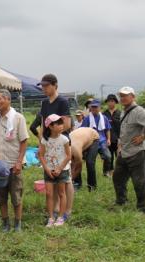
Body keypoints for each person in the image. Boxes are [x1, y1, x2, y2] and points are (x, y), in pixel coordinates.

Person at [0, 89, 29, 232]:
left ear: (8, 100)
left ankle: (18, 224)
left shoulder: (18, 118)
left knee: (16, 196)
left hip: (13, 165)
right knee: (1, 197)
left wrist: (19, 162)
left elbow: (24, 141)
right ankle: (5, 223)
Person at [38, 73, 74, 219]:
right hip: (48, 143)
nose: (44, 89)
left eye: (47, 86)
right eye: (43, 86)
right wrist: (42, 142)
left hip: (62, 141)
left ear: (55, 85)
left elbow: (67, 124)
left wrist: (54, 132)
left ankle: (68, 210)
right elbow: (42, 124)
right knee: (52, 176)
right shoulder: (44, 103)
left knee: (66, 178)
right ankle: (56, 208)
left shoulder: (62, 101)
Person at [113, 87, 145, 213]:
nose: (122, 98)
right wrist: (120, 146)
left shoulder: (139, 111)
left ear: (133, 96)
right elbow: (124, 131)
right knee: (117, 177)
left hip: (136, 151)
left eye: (125, 95)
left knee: (139, 181)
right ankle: (121, 201)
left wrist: (143, 137)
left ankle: (143, 207)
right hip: (124, 151)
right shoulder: (123, 111)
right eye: (121, 96)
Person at [39, 114, 71, 227]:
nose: (61, 125)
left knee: (62, 193)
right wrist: (47, 169)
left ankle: (61, 217)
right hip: (49, 170)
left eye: (61, 123)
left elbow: (68, 156)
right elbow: (41, 155)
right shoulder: (45, 140)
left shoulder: (64, 139)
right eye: (58, 124)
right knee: (49, 194)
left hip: (62, 170)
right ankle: (51, 217)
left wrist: (60, 168)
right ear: (50, 127)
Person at [81, 99, 112, 180]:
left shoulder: (104, 117)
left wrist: (108, 139)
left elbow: (107, 129)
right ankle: (91, 176)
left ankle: (106, 172)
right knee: (91, 161)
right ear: (90, 108)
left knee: (108, 156)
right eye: (93, 107)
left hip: (102, 140)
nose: (94, 109)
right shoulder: (87, 118)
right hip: (91, 142)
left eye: (96, 107)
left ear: (99, 108)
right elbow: (83, 130)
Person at [103, 94, 121, 175]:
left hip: (118, 138)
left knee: (119, 157)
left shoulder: (120, 113)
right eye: (109, 101)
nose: (110, 103)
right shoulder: (104, 114)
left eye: (112, 101)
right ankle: (108, 172)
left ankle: (119, 172)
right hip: (107, 139)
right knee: (109, 157)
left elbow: (122, 127)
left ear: (115, 102)